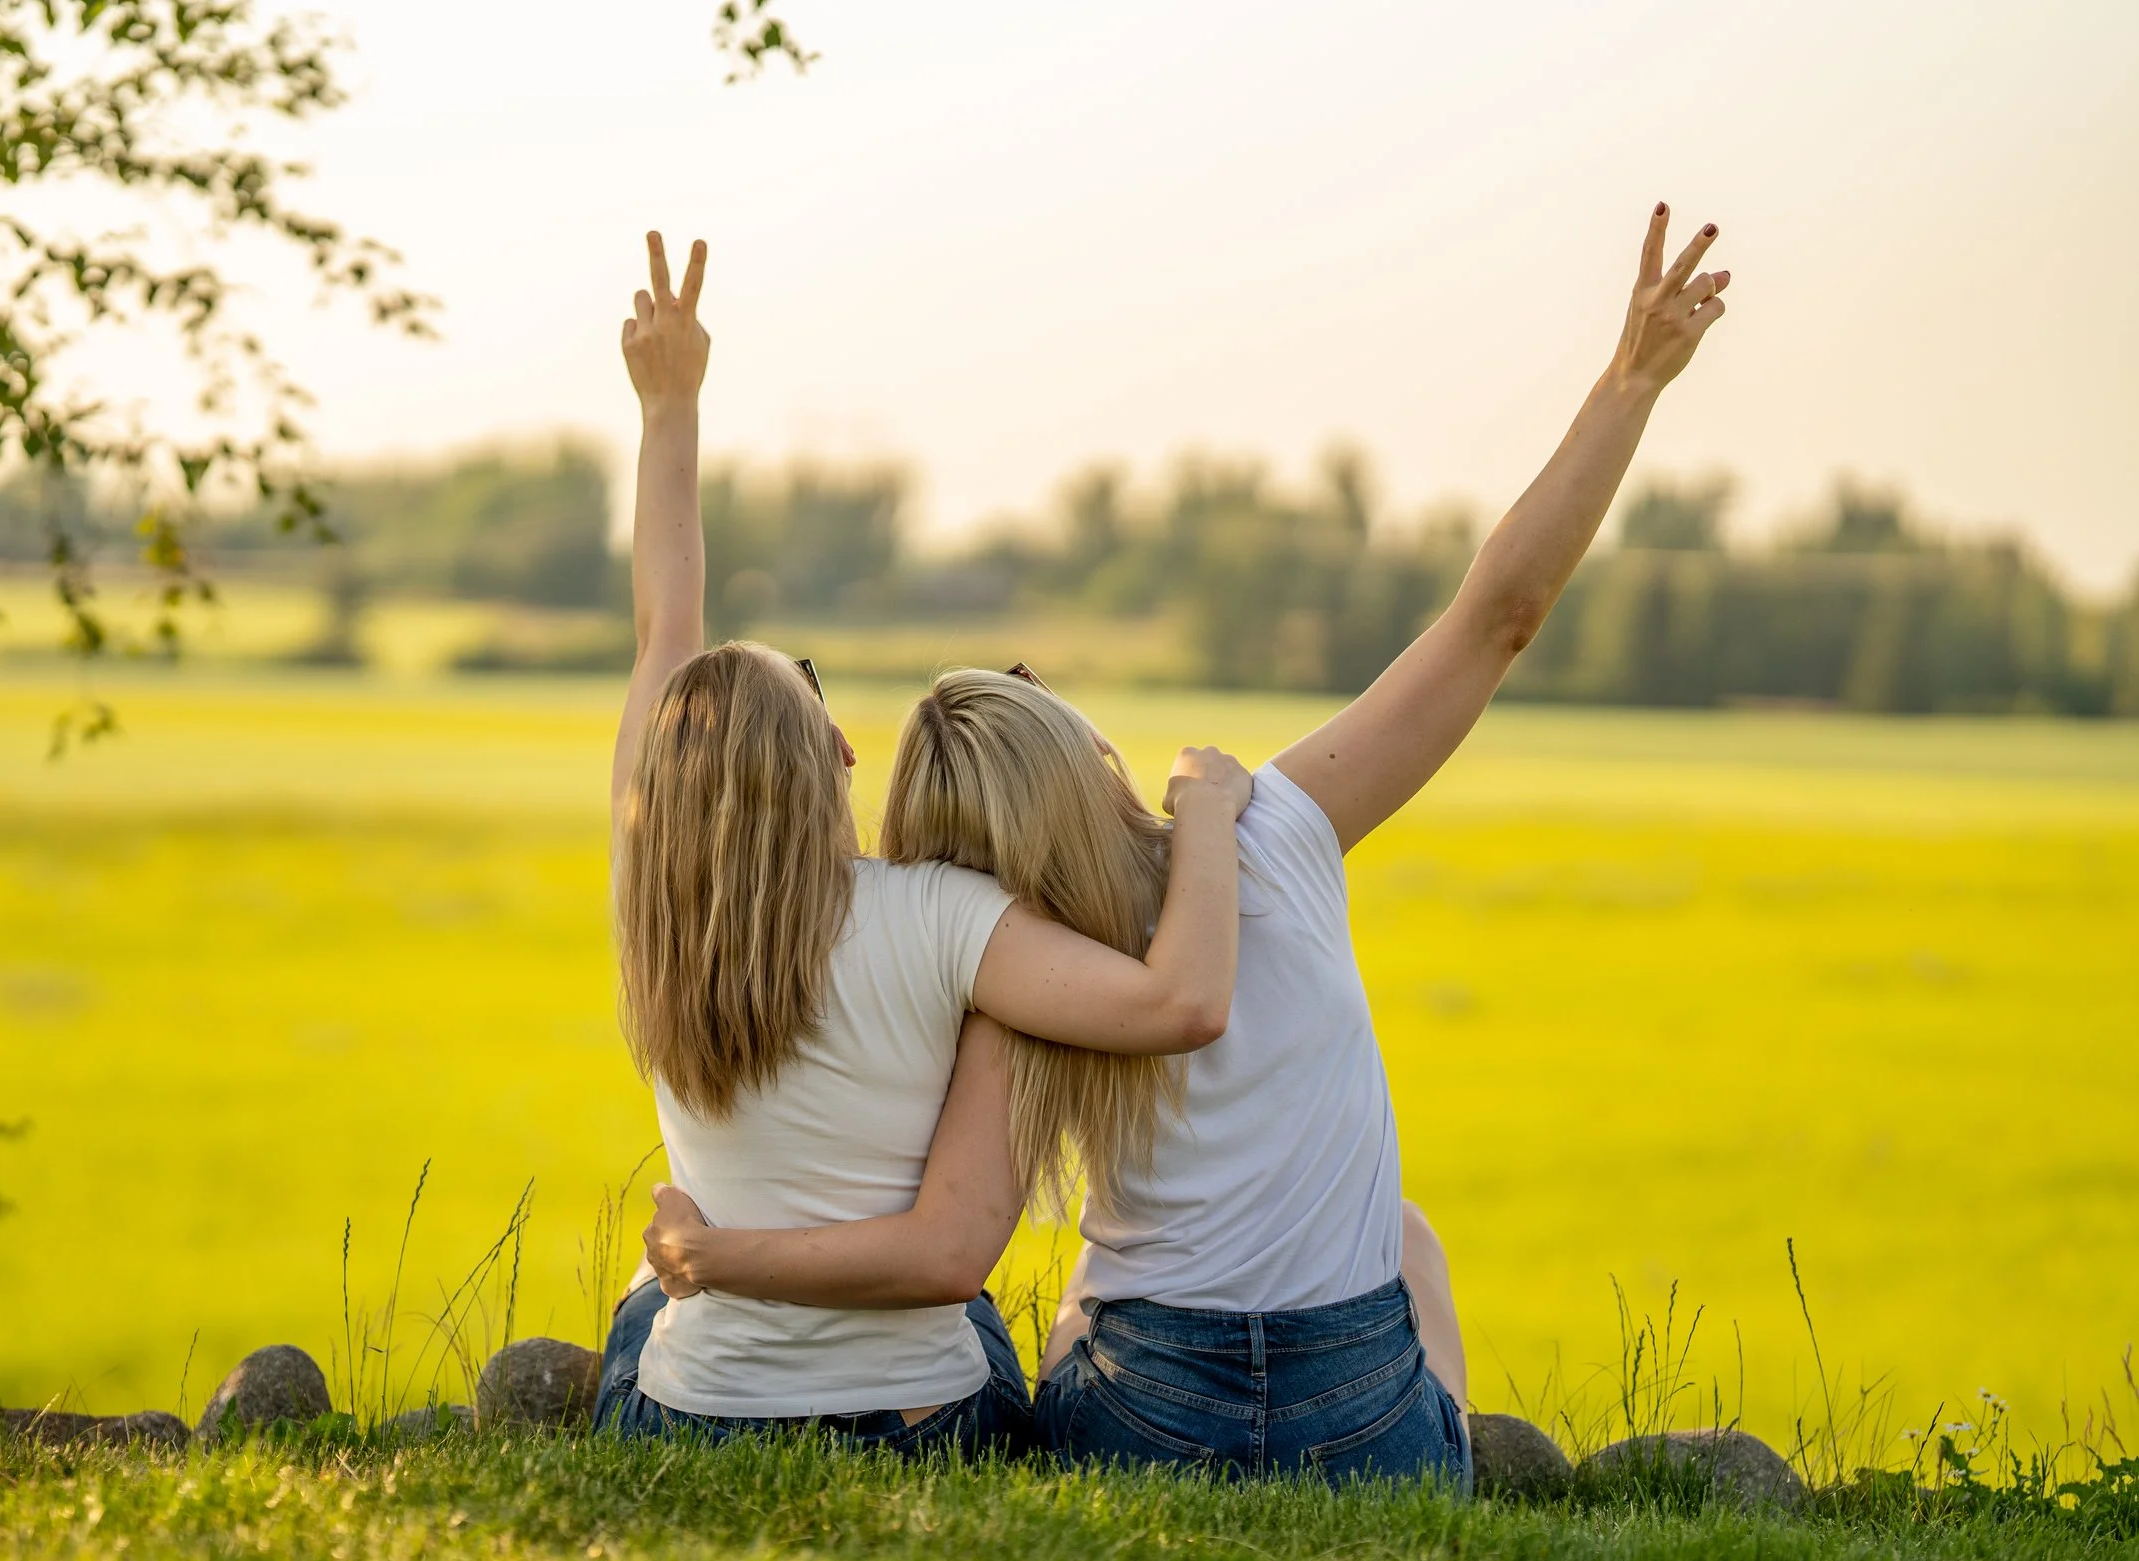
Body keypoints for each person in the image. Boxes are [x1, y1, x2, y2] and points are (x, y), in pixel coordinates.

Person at [640, 205, 1734, 1486]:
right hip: (1354, 1410)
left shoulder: (1002, 948)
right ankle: (1447, 1473)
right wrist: (1629, 383)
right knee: (1408, 1236)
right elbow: (1497, 615)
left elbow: (668, 648)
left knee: (1081, 1297)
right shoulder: (1273, 827)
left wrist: (668, 412)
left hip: (1140, 1408)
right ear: (1073, 749)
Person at [594, 231, 1258, 1457]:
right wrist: (1206, 815)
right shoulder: (946, 917)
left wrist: (668, 406)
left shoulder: (652, 906)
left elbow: (659, 627)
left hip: (688, 1421)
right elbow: (1180, 1000)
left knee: (646, 1307)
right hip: (910, 1419)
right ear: (834, 763)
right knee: (1000, 1330)